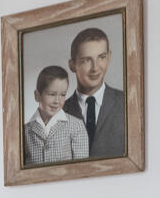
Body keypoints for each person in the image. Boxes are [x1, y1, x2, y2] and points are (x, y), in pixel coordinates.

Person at [66, 25, 125, 160]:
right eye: (86, 60)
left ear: (109, 57)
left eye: (101, 57)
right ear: (72, 65)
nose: (95, 68)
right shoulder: (60, 113)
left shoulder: (127, 103)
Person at [24, 66, 88, 166]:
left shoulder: (76, 126)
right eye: (52, 94)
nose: (57, 101)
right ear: (37, 95)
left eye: (62, 95)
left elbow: (82, 168)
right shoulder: (25, 130)